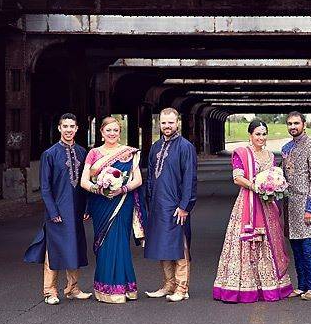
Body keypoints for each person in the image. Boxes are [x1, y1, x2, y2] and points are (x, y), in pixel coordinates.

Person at [213, 120, 294, 303]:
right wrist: (255, 186)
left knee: (269, 243)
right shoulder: (242, 153)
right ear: (250, 135)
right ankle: (244, 287)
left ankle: (269, 286)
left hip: (267, 204)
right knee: (246, 244)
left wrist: (274, 187)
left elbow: (274, 176)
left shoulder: (270, 156)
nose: (261, 137)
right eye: (257, 134)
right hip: (248, 202)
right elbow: (237, 178)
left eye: (264, 134)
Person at [24, 113, 91, 305]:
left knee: (75, 248)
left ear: (77, 129)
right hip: (58, 211)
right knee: (53, 250)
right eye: (65, 126)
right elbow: (45, 188)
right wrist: (53, 212)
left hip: (77, 211)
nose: (69, 130)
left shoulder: (82, 152)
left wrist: (87, 207)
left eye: (72, 126)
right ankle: (50, 291)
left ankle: (73, 288)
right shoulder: (49, 154)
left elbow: (86, 183)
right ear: (59, 129)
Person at [80, 116, 144, 304]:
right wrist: (99, 189)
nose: (112, 133)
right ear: (101, 133)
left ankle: (124, 288)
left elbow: (137, 180)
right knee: (104, 244)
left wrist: (120, 189)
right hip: (101, 204)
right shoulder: (93, 153)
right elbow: (84, 181)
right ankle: (105, 289)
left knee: (121, 243)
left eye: (116, 130)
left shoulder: (128, 153)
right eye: (108, 130)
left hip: (122, 202)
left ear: (120, 132)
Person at [144, 108, 198, 302]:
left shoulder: (185, 147)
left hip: (176, 206)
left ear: (178, 123)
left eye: (171, 122)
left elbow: (190, 178)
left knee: (179, 246)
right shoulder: (155, 147)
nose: (167, 126)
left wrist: (185, 206)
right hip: (158, 206)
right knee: (163, 246)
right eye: (164, 123)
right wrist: (148, 203)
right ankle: (169, 285)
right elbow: (150, 177)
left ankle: (182, 288)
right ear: (159, 124)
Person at [281, 111, 311, 301]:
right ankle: (302, 285)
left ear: (304, 124)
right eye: (290, 124)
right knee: (296, 248)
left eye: (296, 123)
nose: (293, 127)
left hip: (307, 206)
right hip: (290, 206)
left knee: (308, 248)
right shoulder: (286, 147)